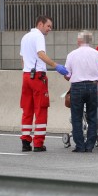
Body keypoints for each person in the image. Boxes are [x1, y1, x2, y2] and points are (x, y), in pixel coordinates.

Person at [19, 15, 69, 152]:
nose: (49, 29)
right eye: (48, 26)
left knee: (27, 109)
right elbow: (40, 54)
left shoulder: (25, 37)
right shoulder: (38, 36)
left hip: (26, 75)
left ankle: (25, 141)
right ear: (40, 24)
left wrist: (27, 71)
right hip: (38, 76)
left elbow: (22, 59)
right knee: (41, 108)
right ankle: (38, 143)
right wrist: (55, 65)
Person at [65, 30, 98, 153]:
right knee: (93, 117)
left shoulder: (72, 54)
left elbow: (67, 74)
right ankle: (90, 145)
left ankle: (80, 145)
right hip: (93, 86)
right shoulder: (97, 54)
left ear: (80, 40)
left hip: (77, 87)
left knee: (76, 117)